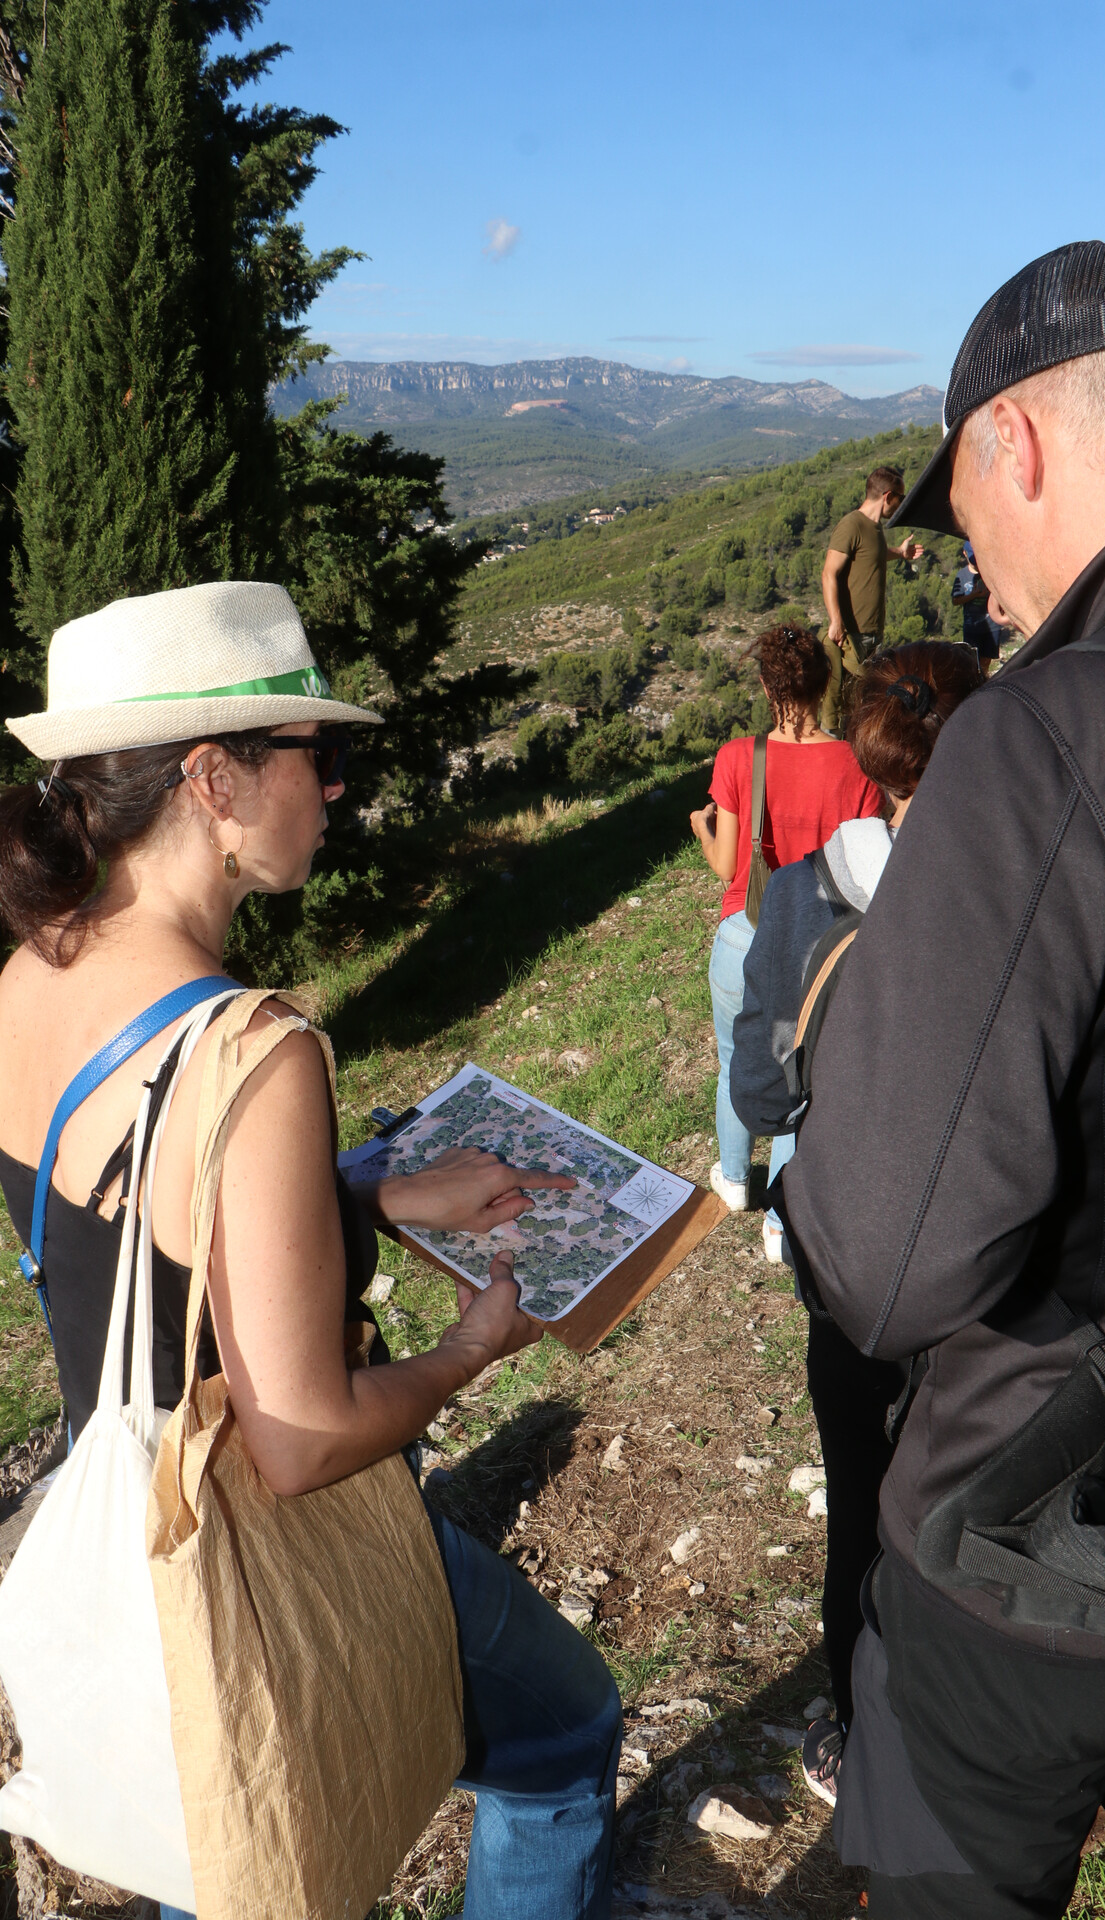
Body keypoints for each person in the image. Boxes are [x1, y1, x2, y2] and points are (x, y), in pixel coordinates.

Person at [780, 241, 1105, 1919]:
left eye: (962, 507)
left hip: (1052, 1530)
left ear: (1019, 443)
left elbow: (888, 1260)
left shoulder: (1053, 729)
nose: (974, 564)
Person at [0, 582, 621, 1920]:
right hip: (266, 1536)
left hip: (134, 1528)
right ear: (214, 779)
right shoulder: (253, 1050)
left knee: (225, 1847)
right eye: (316, 755)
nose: (334, 791)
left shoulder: (29, 975)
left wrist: (374, 1197)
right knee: (565, 1739)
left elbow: (142, 1225)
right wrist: (473, 1347)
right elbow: (299, 1437)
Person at [729, 642, 982, 1804]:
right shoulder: (1024, 878)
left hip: (854, 1260)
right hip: (995, 1255)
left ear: (871, 756)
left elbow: (760, 1094)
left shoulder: (801, 894)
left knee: (860, 1500)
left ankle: (853, 1725)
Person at [688, 622, 879, 1222]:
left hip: (742, 934)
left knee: (733, 1060)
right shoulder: (855, 764)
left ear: (768, 688)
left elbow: (727, 866)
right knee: (800, 1077)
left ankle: (734, 1180)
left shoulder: (738, 758)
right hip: (815, 943)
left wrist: (702, 828)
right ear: (824, 687)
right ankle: (779, 1221)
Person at [819, 468, 925, 732]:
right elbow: (829, 573)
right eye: (900, 498)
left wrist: (900, 553)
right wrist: (836, 621)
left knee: (859, 706)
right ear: (887, 496)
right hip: (851, 636)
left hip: (870, 636)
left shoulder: (874, 528)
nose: (900, 504)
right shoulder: (852, 525)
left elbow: (872, 554)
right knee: (846, 706)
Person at [950, 539, 1003, 675]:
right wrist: (974, 595)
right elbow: (955, 600)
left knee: (986, 660)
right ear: (964, 553)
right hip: (972, 627)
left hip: (992, 625)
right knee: (972, 661)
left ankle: (983, 680)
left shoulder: (989, 571)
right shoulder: (962, 575)